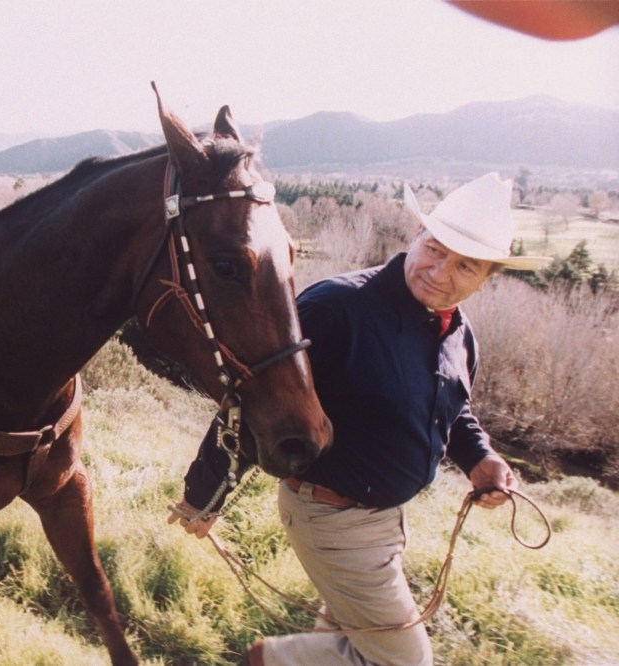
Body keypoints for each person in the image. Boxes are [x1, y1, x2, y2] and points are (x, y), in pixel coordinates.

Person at [168, 172, 551, 666]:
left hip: (385, 520)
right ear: (416, 236)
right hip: (332, 517)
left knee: (353, 645)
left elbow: (450, 409)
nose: (439, 271)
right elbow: (253, 402)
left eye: (464, 265)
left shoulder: (458, 334)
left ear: (485, 279)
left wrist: (481, 458)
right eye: (435, 249)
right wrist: (206, 493)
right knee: (401, 661)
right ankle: (268, 662)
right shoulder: (337, 308)